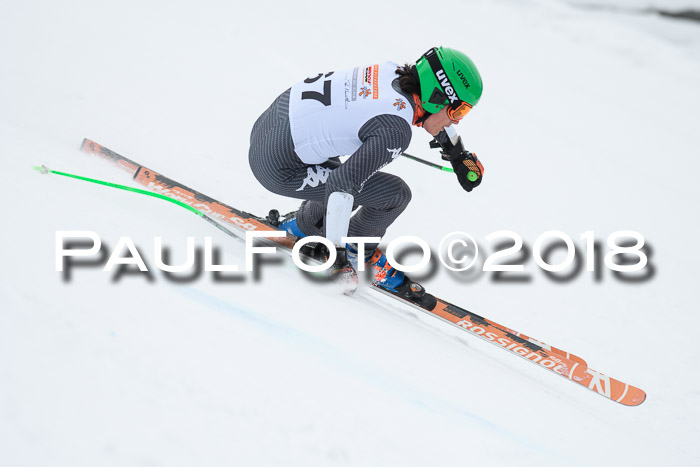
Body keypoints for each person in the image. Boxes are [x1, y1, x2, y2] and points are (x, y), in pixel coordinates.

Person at [248, 46, 484, 298]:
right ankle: (355, 251)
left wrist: (457, 152)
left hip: (271, 128)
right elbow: (340, 184)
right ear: (436, 97)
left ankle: (307, 224)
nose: (457, 120)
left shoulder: (392, 71)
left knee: (352, 170)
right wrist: (337, 261)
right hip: (278, 166)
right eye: (458, 111)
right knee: (393, 194)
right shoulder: (395, 130)